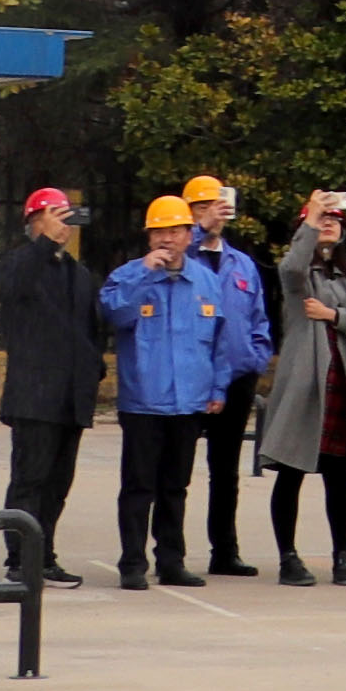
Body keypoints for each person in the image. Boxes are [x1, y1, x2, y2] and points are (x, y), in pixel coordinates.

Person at [99, 195, 238, 589]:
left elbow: (219, 341)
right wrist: (144, 274)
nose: (167, 239)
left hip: (189, 401)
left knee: (175, 487)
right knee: (139, 486)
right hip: (144, 400)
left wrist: (218, 387)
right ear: (148, 237)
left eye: (175, 230)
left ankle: (171, 560)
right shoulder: (128, 275)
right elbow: (114, 315)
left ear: (190, 234)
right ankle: (132, 562)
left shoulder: (206, 281)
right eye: (159, 231)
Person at [255, 189, 346, 585]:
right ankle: (288, 557)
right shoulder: (300, 274)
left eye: (335, 220)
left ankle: (342, 558)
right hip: (305, 387)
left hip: (341, 386)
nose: (329, 224)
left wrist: (334, 314)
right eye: (323, 219)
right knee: (291, 473)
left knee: (338, 478)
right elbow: (289, 269)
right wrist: (311, 217)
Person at [0, 185, 99, 583]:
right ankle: (20, 558)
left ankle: (45, 553)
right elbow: (14, 288)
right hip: (35, 398)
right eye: (55, 214)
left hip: (71, 399)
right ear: (35, 221)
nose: (64, 224)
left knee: (58, 483)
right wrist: (42, 246)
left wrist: (92, 373)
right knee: (29, 479)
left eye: (67, 216)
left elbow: (90, 330)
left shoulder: (78, 274)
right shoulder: (19, 263)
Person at [182, 178, 272, 576]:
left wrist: (257, 356)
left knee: (226, 472)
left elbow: (258, 317)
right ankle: (170, 551)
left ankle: (225, 550)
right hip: (190, 376)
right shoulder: (182, 256)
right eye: (202, 208)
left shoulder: (242, 263)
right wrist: (198, 231)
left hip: (236, 377)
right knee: (176, 470)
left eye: (217, 206)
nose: (212, 213)